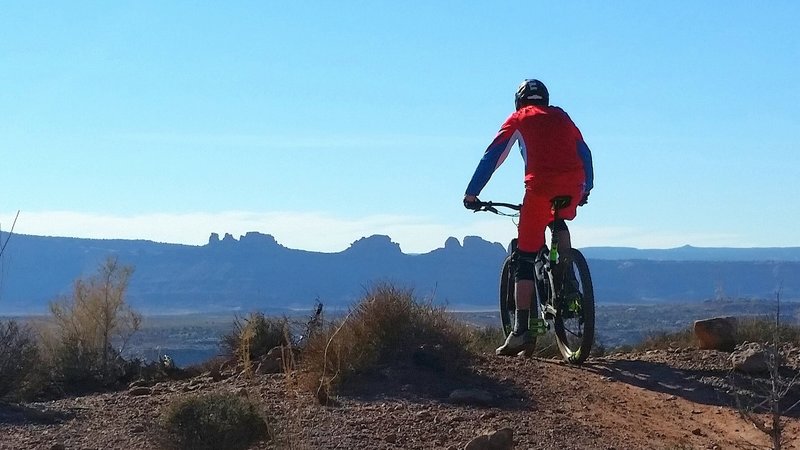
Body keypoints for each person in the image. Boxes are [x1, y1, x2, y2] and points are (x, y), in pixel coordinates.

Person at [463, 79, 594, 356]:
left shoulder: (519, 118)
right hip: (573, 186)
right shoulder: (562, 116)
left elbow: (493, 156)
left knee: (524, 257)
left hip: (540, 189)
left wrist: (472, 193)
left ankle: (521, 331)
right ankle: (568, 280)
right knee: (558, 219)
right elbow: (585, 152)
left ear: (519, 102)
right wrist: (587, 187)